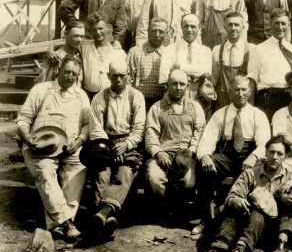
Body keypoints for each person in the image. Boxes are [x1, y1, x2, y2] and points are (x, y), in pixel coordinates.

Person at [16, 56, 90, 242]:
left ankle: (58, 224)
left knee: (77, 172)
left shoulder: (81, 96)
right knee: (45, 174)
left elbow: (88, 125)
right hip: (41, 148)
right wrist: (28, 139)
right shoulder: (41, 90)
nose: (70, 76)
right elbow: (23, 120)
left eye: (74, 73)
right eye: (67, 72)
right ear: (59, 70)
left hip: (71, 148)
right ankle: (68, 224)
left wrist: (79, 141)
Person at [202, 136, 292, 252]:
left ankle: (240, 250)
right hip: (244, 223)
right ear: (265, 152)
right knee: (234, 208)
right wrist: (237, 200)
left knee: (258, 212)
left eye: (280, 153)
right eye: (272, 152)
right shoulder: (250, 173)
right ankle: (216, 250)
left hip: (269, 227)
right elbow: (232, 195)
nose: (275, 157)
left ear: (285, 156)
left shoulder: (290, 177)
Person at [85, 59, 146, 242]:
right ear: (108, 76)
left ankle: (103, 214)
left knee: (125, 173)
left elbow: (139, 128)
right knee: (101, 176)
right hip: (105, 144)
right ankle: (107, 222)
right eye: (114, 76)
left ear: (128, 76)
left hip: (128, 144)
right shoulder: (99, 98)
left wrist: (126, 145)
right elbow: (96, 128)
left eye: (122, 76)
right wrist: (111, 149)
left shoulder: (136, 97)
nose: (118, 80)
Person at [196, 75, 271, 222]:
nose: (240, 93)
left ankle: (247, 217)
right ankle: (207, 218)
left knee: (260, 169)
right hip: (227, 156)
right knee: (203, 164)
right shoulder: (220, 114)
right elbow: (207, 140)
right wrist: (205, 156)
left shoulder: (258, 115)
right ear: (229, 92)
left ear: (250, 92)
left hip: (250, 155)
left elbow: (264, 144)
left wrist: (254, 156)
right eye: (236, 90)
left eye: (244, 90)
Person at [144, 69, 206, 222]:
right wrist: (158, 153)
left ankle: (180, 208)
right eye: (174, 84)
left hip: (186, 154)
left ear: (187, 85)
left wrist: (191, 151)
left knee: (188, 182)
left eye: (182, 84)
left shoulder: (195, 107)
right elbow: (150, 134)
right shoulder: (157, 107)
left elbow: (200, 131)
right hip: (164, 153)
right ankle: (166, 210)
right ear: (167, 85)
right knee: (154, 179)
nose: (178, 88)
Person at [248, 8, 292, 121]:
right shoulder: (258, 49)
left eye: (283, 23)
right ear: (270, 25)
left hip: (289, 99)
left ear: (288, 25)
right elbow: (252, 80)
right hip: (267, 100)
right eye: (276, 23)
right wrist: (250, 108)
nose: (280, 27)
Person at [159, 13, 214, 116]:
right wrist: (196, 72)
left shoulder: (205, 50)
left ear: (199, 28)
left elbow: (206, 71)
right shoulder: (170, 49)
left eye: (193, 26)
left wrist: (179, 68)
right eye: (186, 26)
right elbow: (164, 76)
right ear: (181, 27)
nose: (189, 30)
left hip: (199, 97)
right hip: (175, 97)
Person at [211, 12, 256, 110]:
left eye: (237, 25)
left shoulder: (252, 49)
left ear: (243, 27)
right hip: (222, 103)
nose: (233, 28)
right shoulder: (217, 50)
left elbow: (253, 83)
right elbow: (213, 81)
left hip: (244, 102)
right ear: (224, 27)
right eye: (230, 25)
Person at [80, 12, 127, 101]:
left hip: (111, 96)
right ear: (90, 31)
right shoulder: (84, 46)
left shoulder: (118, 51)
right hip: (90, 96)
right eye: (94, 29)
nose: (98, 32)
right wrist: (50, 49)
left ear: (108, 28)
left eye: (100, 28)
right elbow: (66, 42)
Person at [127, 17, 169, 111]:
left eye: (161, 32)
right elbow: (127, 79)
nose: (157, 35)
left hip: (162, 104)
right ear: (148, 31)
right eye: (154, 31)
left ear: (166, 34)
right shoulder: (135, 52)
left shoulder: (169, 54)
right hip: (139, 102)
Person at [37, 21, 85, 86]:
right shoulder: (55, 57)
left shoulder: (79, 57)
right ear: (66, 34)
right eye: (76, 36)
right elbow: (44, 83)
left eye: (82, 36)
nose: (80, 39)